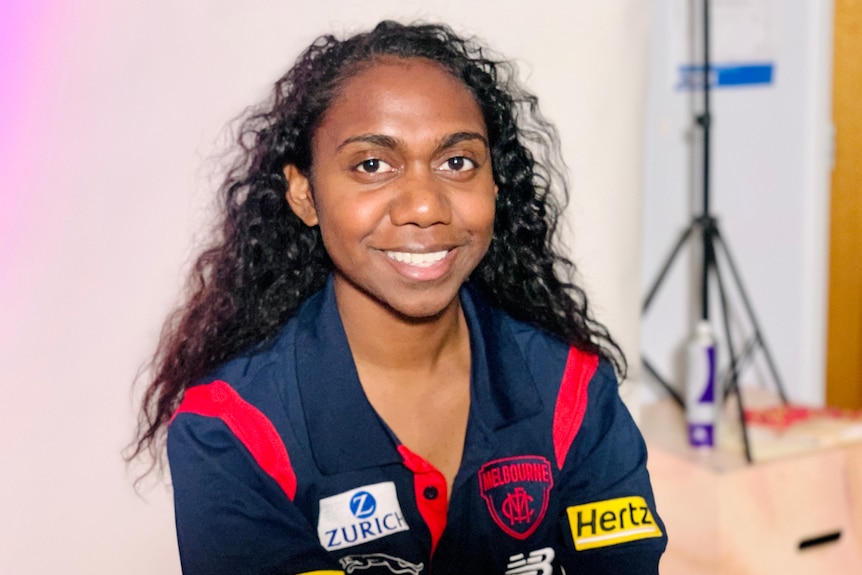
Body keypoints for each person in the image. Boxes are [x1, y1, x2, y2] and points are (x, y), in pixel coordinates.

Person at [129, 20, 667, 575]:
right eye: (372, 165)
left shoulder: (571, 388)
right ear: (304, 194)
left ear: (495, 186)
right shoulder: (231, 427)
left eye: (457, 162)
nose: (424, 205)